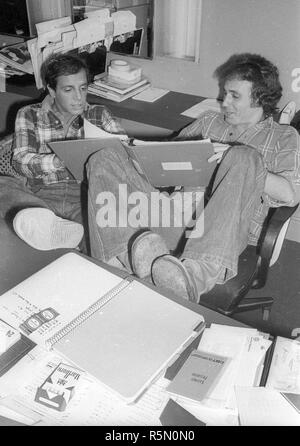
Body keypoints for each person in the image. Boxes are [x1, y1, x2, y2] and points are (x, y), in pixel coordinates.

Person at [12, 53, 300, 305]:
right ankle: (124, 262)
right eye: (224, 93)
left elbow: (290, 194)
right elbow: (159, 161)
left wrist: (232, 159)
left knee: (243, 157)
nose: (224, 102)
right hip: (172, 217)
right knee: (104, 156)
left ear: (260, 97)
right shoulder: (210, 121)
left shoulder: (284, 137)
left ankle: (193, 276)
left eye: (234, 96)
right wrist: (139, 155)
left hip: (217, 234)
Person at [0, 52, 126, 252]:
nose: (79, 97)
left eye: (83, 88)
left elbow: (123, 155)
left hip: (84, 197)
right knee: (3, 184)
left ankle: (68, 236)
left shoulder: (99, 115)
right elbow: (20, 161)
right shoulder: (30, 114)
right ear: (51, 90)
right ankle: (51, 228)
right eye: (68, 89)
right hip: (40, 198)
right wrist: (62, 159)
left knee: (101, 239)